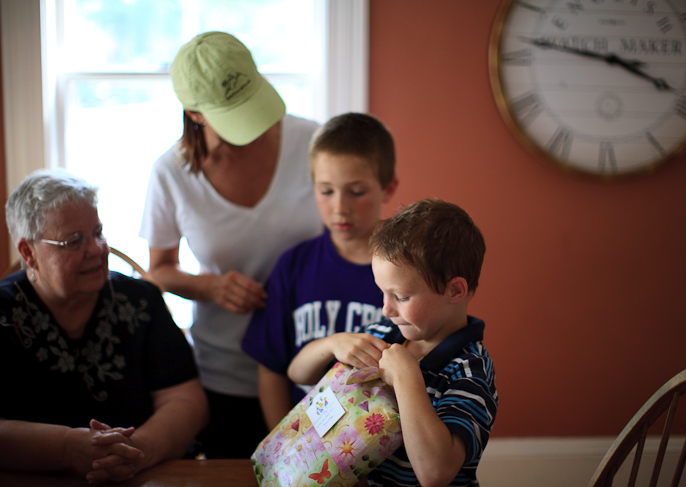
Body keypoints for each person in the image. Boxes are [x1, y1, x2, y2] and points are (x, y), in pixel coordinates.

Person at [139, 31, 323, 458]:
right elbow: (158, 270)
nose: (258, 126)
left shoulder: (315, 142)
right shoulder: (170, 174)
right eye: (236, 114)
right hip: (226, 374)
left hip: (313, 368)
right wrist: (211, 287)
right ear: (195, 114)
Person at [0, 170, 208, 484]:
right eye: (74, 241)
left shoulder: (141, 302)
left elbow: (187, 401)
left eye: (98, 232)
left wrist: (140, 449)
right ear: (28, 253)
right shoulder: (3, 313)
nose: (97, 249)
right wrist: (67, 448)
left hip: (148, 476)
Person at [288, 198, 498, 487]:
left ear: (455, 290)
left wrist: (407, 377)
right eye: (382, 293)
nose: (386, 309)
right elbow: (298, 373)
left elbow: (435, 473)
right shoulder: (381, 332)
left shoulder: (470, 371)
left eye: (401, 297)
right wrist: (332, 343)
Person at [242, 112, 399, 429]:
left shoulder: (408, 270)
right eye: (326, 191)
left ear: (388, 188)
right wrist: (281, 442)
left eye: (356, 192)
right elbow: (271, 367)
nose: (340, 207)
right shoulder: (294, 266)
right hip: (302, 447)